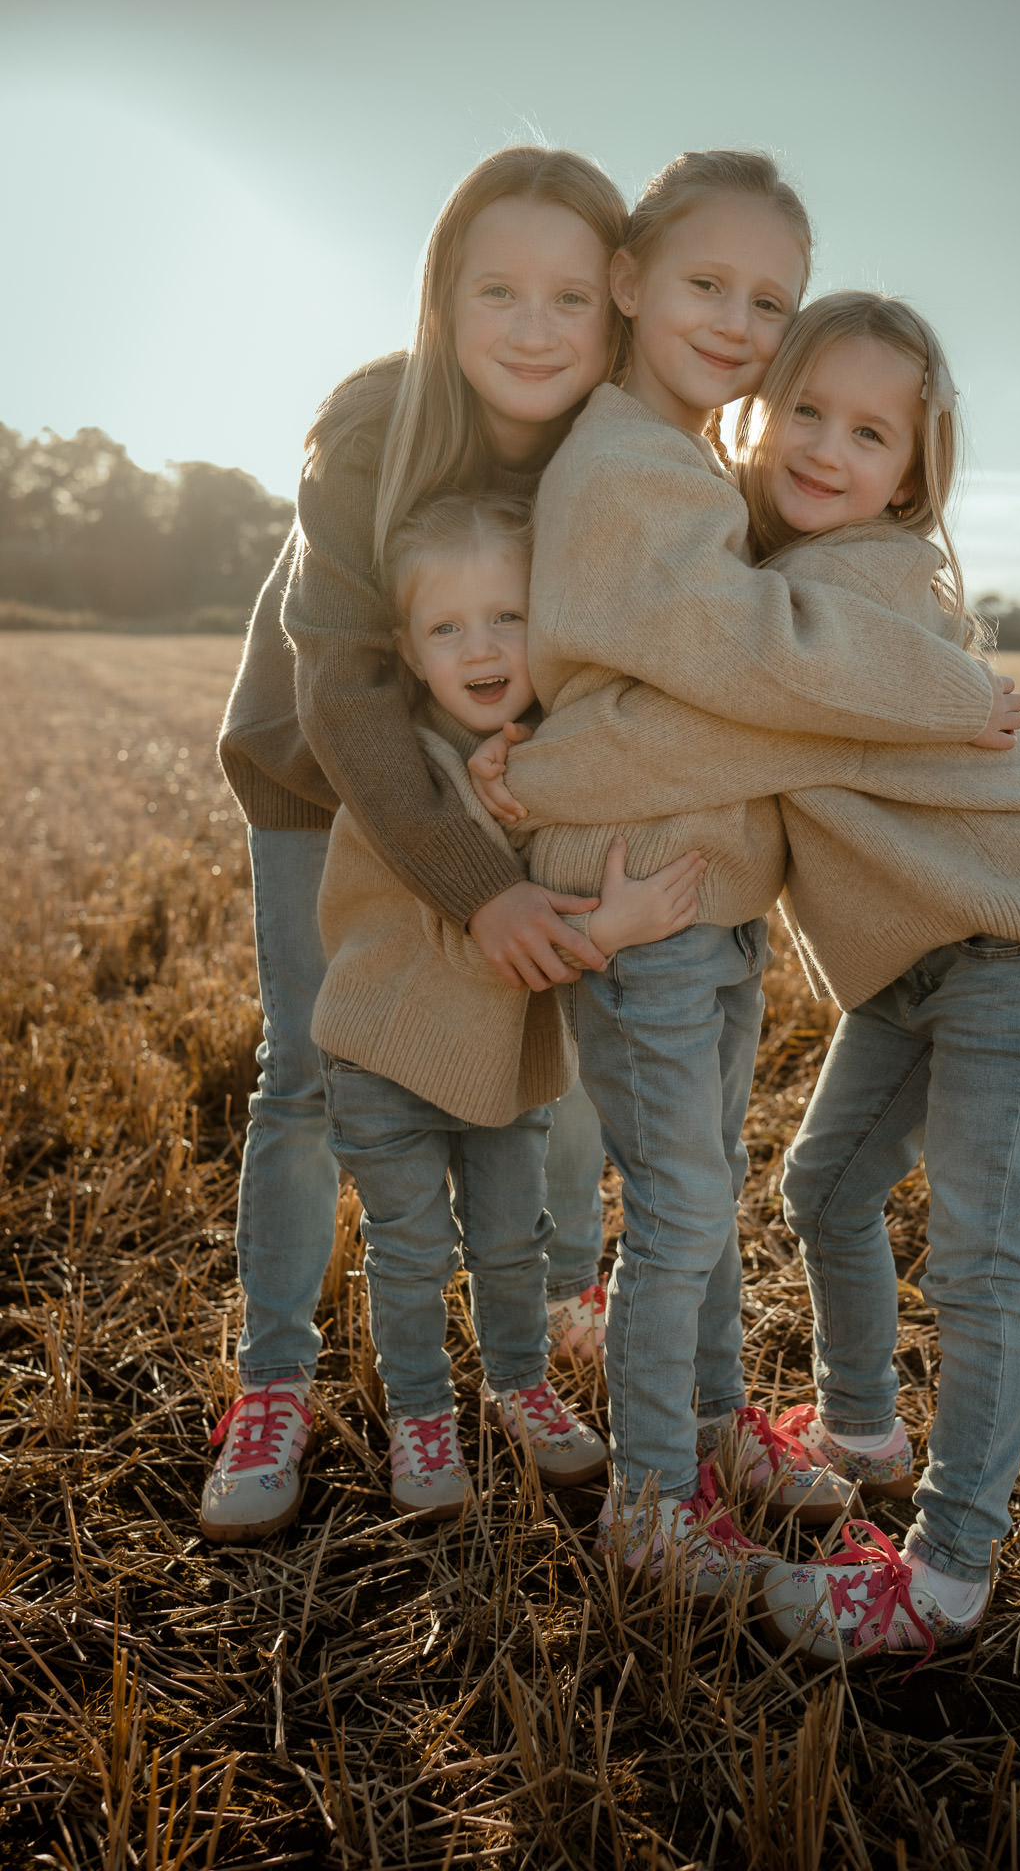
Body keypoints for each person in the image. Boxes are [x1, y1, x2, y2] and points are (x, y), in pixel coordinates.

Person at [487, 289, 1020, 1652]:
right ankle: (862, 1428)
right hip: (910, 959)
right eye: (809, 412)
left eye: (871, 432)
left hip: (1019, 937)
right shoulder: (777, 559)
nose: (828, 448)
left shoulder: (857, 584)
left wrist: (529, 779)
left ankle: (945, 1573)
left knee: (978, 1259)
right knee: (821, 1186)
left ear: (914, 470)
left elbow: (721, 741)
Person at [206, 146, 627, 1545]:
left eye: (570, 294)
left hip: (506, 770)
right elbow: (342, 686)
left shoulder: (613, 442)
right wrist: (479, 886)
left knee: (540, 1070)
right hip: (322, 774)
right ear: (440, 296)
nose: (532, 325)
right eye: (495, 287)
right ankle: (275, 1384)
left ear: (615, 308)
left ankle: (538, 1335)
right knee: (315, 1070)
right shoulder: (374, 423)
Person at [306, 495, 703, 1522]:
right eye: (447, 628)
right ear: (408, 648)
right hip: (388, 1061)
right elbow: (475, 937)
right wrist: (610, 932)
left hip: (496, 1069)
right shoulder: (400, 782)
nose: (479, 647)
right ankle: (423, 1420)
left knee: (510, 1242)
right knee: (410, 1253)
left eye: (506, 618)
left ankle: (518, 1384)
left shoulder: (528, 759)